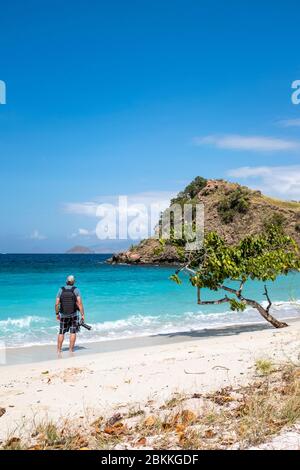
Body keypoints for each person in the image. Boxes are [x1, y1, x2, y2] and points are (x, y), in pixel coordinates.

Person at [55, 275, 85, 353]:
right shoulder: (76, 290)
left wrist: (57, 314)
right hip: (74, 315)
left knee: (61, 332)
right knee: (73, 332)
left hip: (63, 314)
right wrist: (82, 314)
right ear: (73, 282)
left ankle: (58, 350)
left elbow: (57, 304)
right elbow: (80, 303)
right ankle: (71, 350)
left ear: (66, 281)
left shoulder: (60, 290)